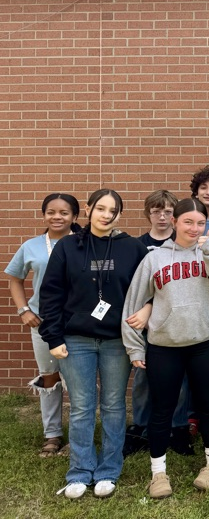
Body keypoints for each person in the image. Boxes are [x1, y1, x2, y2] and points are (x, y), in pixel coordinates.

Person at [122, 198, 209, 499]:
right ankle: (158, 473)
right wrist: (135, 348)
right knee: (162, 410)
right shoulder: (154, 258)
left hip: (205, 342)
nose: (194, 228)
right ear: (175, 222)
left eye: (200, 223)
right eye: (188, 221)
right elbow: (134, 302)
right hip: (165, 346)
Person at [39, 189, 149, 499]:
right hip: (76, 340)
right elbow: (51, 294)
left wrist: (148, 309)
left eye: (112, 210)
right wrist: (54, 337)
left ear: (119, 214)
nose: (105, 214)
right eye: (100, 207)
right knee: (83, 406)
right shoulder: (68, 247)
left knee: (114, 406)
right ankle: (80, 470)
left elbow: (152, 287)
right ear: (88, 209)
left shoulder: (132, 247)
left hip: (117, 340)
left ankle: (108, 470)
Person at [5, 193, 80, 458]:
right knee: (50, 377)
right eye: (51, 212)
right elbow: (15, 279)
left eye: (64, 213)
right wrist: (23, 309)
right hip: (42, 322)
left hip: (76, 323)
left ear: (74, 216)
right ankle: (52, 434)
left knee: (78, 379)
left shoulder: (82, 243)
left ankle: (79, 435)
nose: (57, 217)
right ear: (44, 214)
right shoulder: (32, 246)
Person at [124, 189, 193, 458]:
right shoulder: (136, 246)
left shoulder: (183, 245)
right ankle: (140, 429)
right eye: (156, 211)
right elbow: (133, 286)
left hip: (176, 324)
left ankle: (178, 429)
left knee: (179, 380)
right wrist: (144, 309)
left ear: (175, 217)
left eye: (167, 211)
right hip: (144, 325)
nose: (162, 216)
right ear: (147, 214)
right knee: (143, 378)